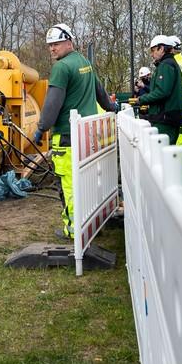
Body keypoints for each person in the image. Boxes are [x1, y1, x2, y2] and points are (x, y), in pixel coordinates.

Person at [32, 24, 117, 238]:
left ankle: (74, 231)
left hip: (68, 137)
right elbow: (101, 93)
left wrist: (41, 129)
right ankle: (89, 223)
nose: (52, 49)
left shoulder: (61, 68)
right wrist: (112, 108)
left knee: (69, 185)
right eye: (50, 45)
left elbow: (52, 104)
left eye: (57, 44)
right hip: (87, 134)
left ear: (69, 41)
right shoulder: (84, 63)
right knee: (86, 181)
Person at [134, 35, 182, 146]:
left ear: (161, 48)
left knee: (161, 156)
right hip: (169, 118)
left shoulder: (166, 65)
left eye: (153, 50)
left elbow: (162, 92)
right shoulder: (170, 64)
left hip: (165, 119)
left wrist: (141, 99)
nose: (152, 54)